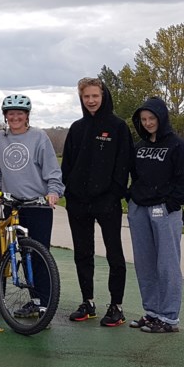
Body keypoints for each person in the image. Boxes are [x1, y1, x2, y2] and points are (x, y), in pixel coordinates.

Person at [60, 77, 134, 327]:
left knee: (114, 253)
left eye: (95, 96)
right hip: (78, 202)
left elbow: (123, 165)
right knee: (83, 253)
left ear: (103, 97)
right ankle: (87, 302)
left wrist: (114, 193)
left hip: (107, 202)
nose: (91, 101)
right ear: (81, 99)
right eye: (86, 97)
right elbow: (67, 164)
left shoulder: (117, 127)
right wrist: (70, 191)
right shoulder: (77, 128)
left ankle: (116, 306)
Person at [0, 93, 64, 318]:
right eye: (11, 114)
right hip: (12, 205)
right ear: (5, 116)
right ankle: (31, 299)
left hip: (37, 204)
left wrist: (53, 192)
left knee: (40, 255)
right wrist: (2, 190)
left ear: (27, 116)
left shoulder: (39, 137)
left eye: (19, 114)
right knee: (19, 253)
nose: (15, 117)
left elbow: (52, 169)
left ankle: (43, 303)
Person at [127, 97, 184, 334]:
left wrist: (172, 204)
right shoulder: (139, 147)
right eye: (143, 119)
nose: (147, 123)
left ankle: (168, 317)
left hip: (165, 211)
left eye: (151, 118)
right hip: (139, 209)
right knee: (144, 263)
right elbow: (135, 176)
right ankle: (152, 312)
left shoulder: (177, 146)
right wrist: (131, 197)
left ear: (161, 118)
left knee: (166, 264)